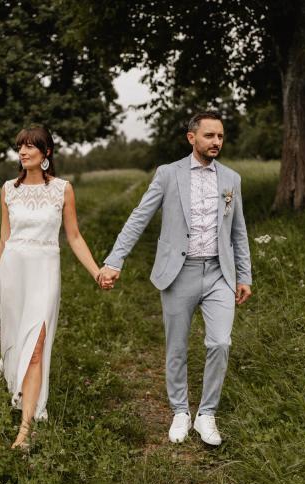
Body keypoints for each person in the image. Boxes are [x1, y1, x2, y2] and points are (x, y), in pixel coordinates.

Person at [98, 112, 252, 446]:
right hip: (178, 273)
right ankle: (180, 411)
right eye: (209, 136)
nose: (216, 142)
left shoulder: (231, 179)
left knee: (220, 343)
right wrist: (114, 259)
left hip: (218, 274)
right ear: (191, 138)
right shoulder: (168, 175)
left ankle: (206, 414)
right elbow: (139, 217)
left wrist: (244, 275)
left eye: (220, 137)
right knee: (177, 347)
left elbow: (238, 232)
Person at [0, 125, 107, 449]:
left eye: (30, 147)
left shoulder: (62, 190)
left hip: (44, 271)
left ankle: (24, 431)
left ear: (46, 153)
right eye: (20, 147)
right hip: (14, 270)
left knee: (37, 344)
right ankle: (22, 396)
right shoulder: (7, 190)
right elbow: (4, 237)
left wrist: (96, 272)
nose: (23, 152)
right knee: (14, 343)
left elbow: (74, 236)